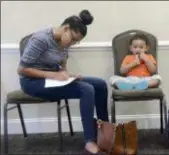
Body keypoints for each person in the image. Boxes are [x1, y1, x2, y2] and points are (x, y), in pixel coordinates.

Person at [17, 10, 109, 155]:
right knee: (86, 89)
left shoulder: (64, 43)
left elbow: (60, 66)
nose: (72, 44)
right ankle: (90, 142)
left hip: (52, 79)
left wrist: (67, 74)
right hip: (32, 82)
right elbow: (22, 69)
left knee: (100, 84)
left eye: (76, 42)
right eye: (72, 39)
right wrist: (53, 75)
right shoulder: (41, 39)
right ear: (65, 28)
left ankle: (105, 133)